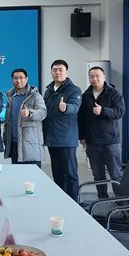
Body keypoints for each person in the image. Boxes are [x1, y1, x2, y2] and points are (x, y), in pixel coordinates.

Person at [78, 66, 126, 199]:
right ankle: (102, 200)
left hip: (110, 142)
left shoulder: (114, 94)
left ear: (104, 77)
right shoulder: (85, 96)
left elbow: (120, 112)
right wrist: (81, 136)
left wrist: (103, 111)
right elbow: (81, 118)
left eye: (97, 76)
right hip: (92, 142)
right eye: (91, 76)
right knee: (98, 175)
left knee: (115, 174)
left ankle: (121, 202)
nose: (94, 79)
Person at [43, 60, 82, 199]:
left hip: (67, 139)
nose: (57, 72)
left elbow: (75, 107)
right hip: (52, 138)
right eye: (55, 70)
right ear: (51, 72)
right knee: (57, 173)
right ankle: (61, 200)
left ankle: (74, 202)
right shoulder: (48, 91)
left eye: (61, 70)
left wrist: (66, 108)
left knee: (70, 174)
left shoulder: (74, 90)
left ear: (67, 72)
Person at [3, 68, 47, 167]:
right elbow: (7, 121)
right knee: (17, 174)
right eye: (15, 78)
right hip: (14, 144)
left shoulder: (35, 95)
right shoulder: (11, 97)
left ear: (26, 79)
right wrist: (5, 139)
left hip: (31, 145)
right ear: (12, 80)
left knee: (33, 175)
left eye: (21, 78)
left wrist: (30, 113)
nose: (18, 80)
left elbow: (43, 113)